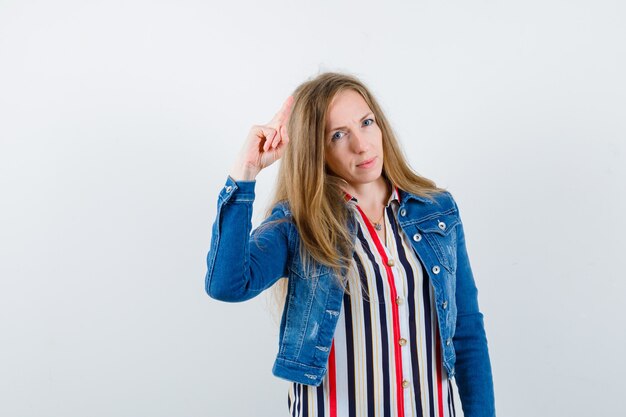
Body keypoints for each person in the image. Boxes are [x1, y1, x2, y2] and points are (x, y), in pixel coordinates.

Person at [205, 72, 495, 417]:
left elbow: (467, 331)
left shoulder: (435, 211)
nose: (362, 145)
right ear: (316, 149)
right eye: (338, 135)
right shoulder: (299, 223)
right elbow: (227, 285)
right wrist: (245, 172)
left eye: (366, 123)